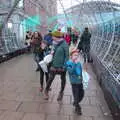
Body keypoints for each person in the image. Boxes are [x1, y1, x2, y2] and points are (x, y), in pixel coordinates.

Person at [44, 30, 69, 101]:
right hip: (54, 64)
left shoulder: (64, 44)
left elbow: (67, 56)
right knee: (51, 78)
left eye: (53, 36)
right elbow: (52, 52)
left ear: (56, 37)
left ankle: (61, 92)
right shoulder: (55, 43)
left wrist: (64, 66)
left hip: (62, 66)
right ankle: (46, 90)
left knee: (63, 79)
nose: (52, 37)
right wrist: (49, 53)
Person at [66, 49, 84, 115]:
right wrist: (74, 63)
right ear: (71, 56)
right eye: (75, 55)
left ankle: (76, 102)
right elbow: (70, 71)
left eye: (77, 55)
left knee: (82, 94)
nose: (76, 57)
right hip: (74, 83)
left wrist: (82, 77)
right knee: (76, 95)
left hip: (80, 82)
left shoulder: (78, 63)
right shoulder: (69, 63)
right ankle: (77, 108)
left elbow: (80, 71)